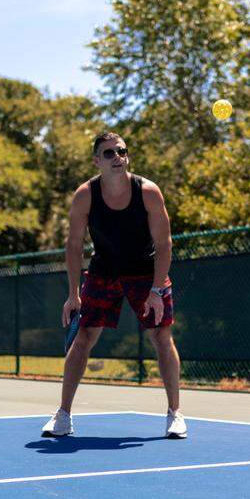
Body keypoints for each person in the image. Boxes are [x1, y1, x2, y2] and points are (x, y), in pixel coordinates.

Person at [41, 132, 187, 439]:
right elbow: (73, 246)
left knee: (161, 334)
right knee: (84, 337)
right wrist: (72, 294)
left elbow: (164, 243)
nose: (117, 156)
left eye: (121, 151)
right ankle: (63, 415)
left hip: (145, 271)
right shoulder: (85, 195)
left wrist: (157, 289)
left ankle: (175, 413)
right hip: (104, 270)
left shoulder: (148, 192)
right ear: (97, 161)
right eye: (108, 153)